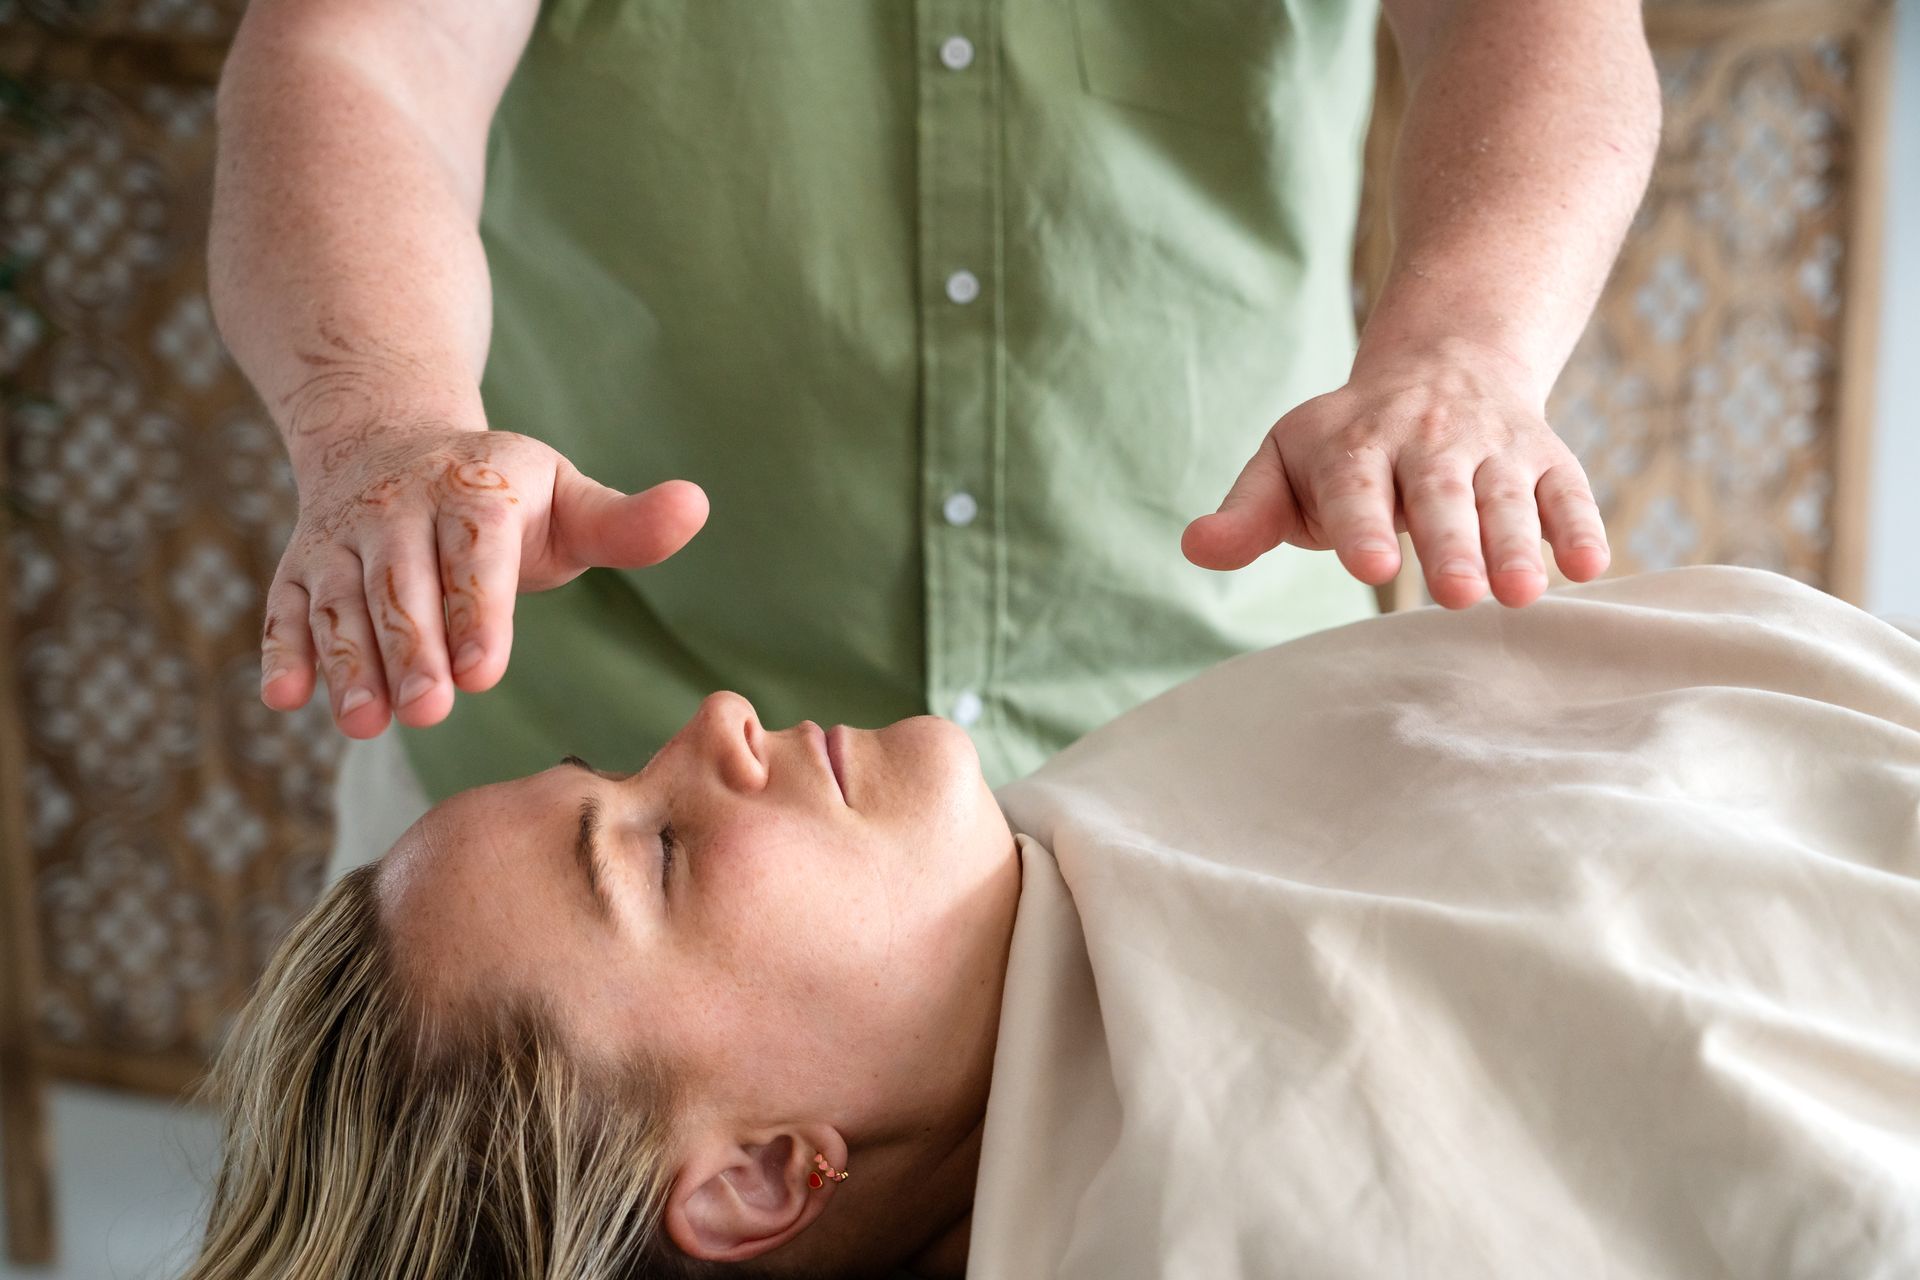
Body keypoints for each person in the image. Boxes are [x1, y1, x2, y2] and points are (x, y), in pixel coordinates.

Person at [207, 0, 1662, 881]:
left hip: (1221, 741)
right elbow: (363, 56)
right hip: (597, 755)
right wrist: (382, 424)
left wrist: (1465, 348)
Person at [188, 565, 1920, 1278]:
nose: (713, 725)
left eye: (614, 772)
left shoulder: (1117, 822)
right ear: (755, 1175)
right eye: (653, 856)